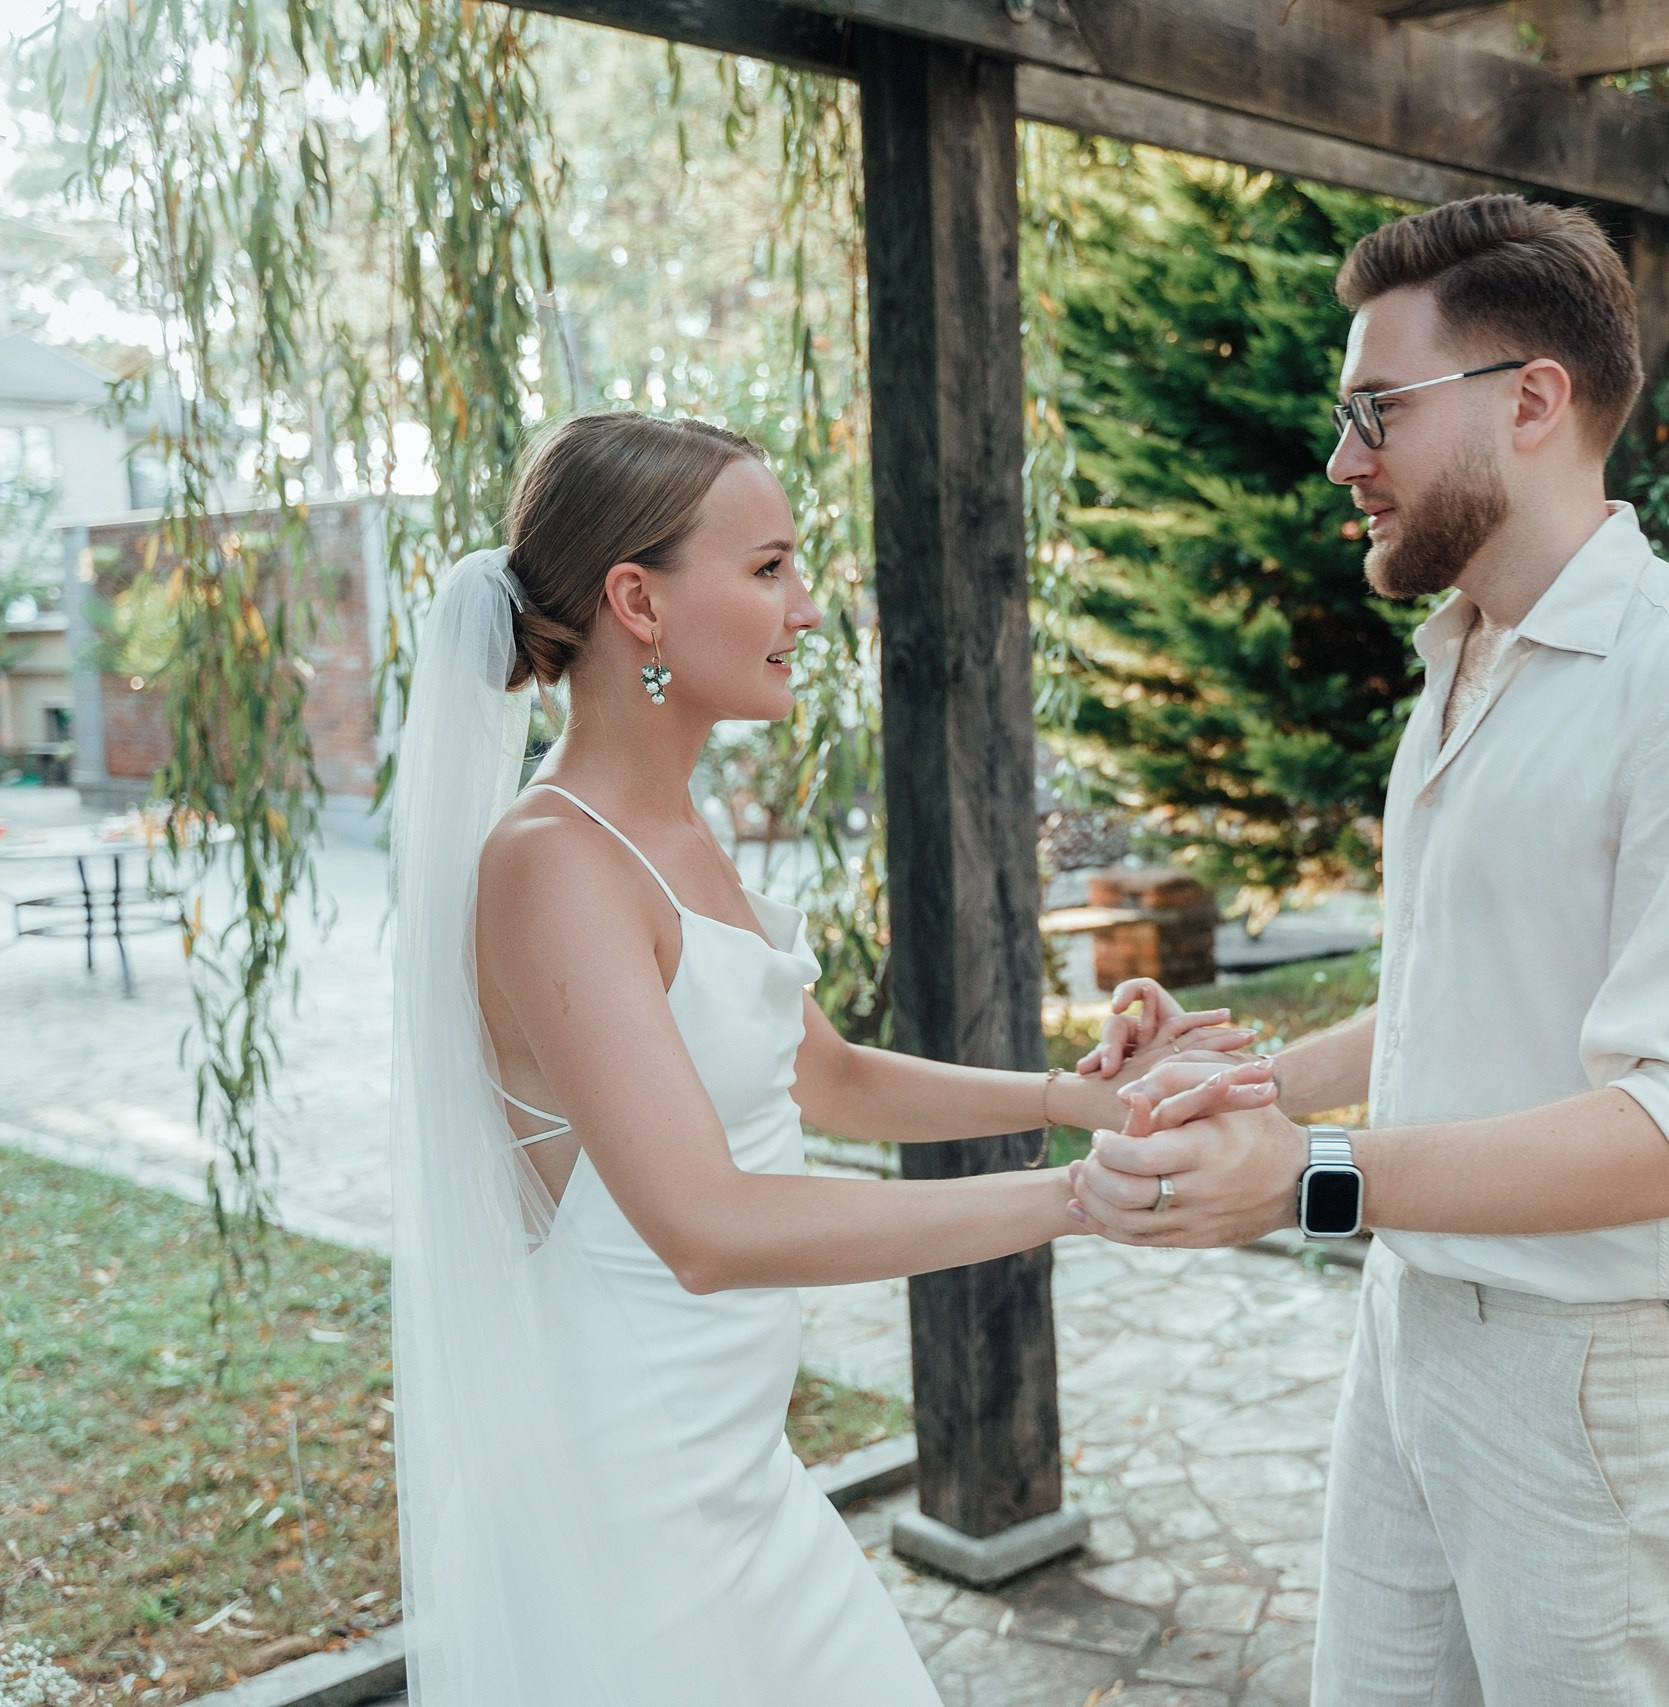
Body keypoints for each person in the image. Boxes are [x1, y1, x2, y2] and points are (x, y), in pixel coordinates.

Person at [1062, 196, 1669, 1706]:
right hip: (1411, 1331)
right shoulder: (1461, 652)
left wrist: (1313, 1176)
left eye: (1374, 412)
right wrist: (1241, 1071)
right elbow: (1442, 998)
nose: (1344, 459)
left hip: (1584, 1374)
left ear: (1531, 401)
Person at [387, 412, 1254, 1706]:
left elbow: (827, 1076)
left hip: (734, 1468)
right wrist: (1080, 1197)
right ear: (639, 600)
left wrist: (1083, 1097)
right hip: (623, 1501)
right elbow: (707, 1225)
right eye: (771, 567)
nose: (807, 605)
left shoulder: (675, 821)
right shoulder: (552, 861)